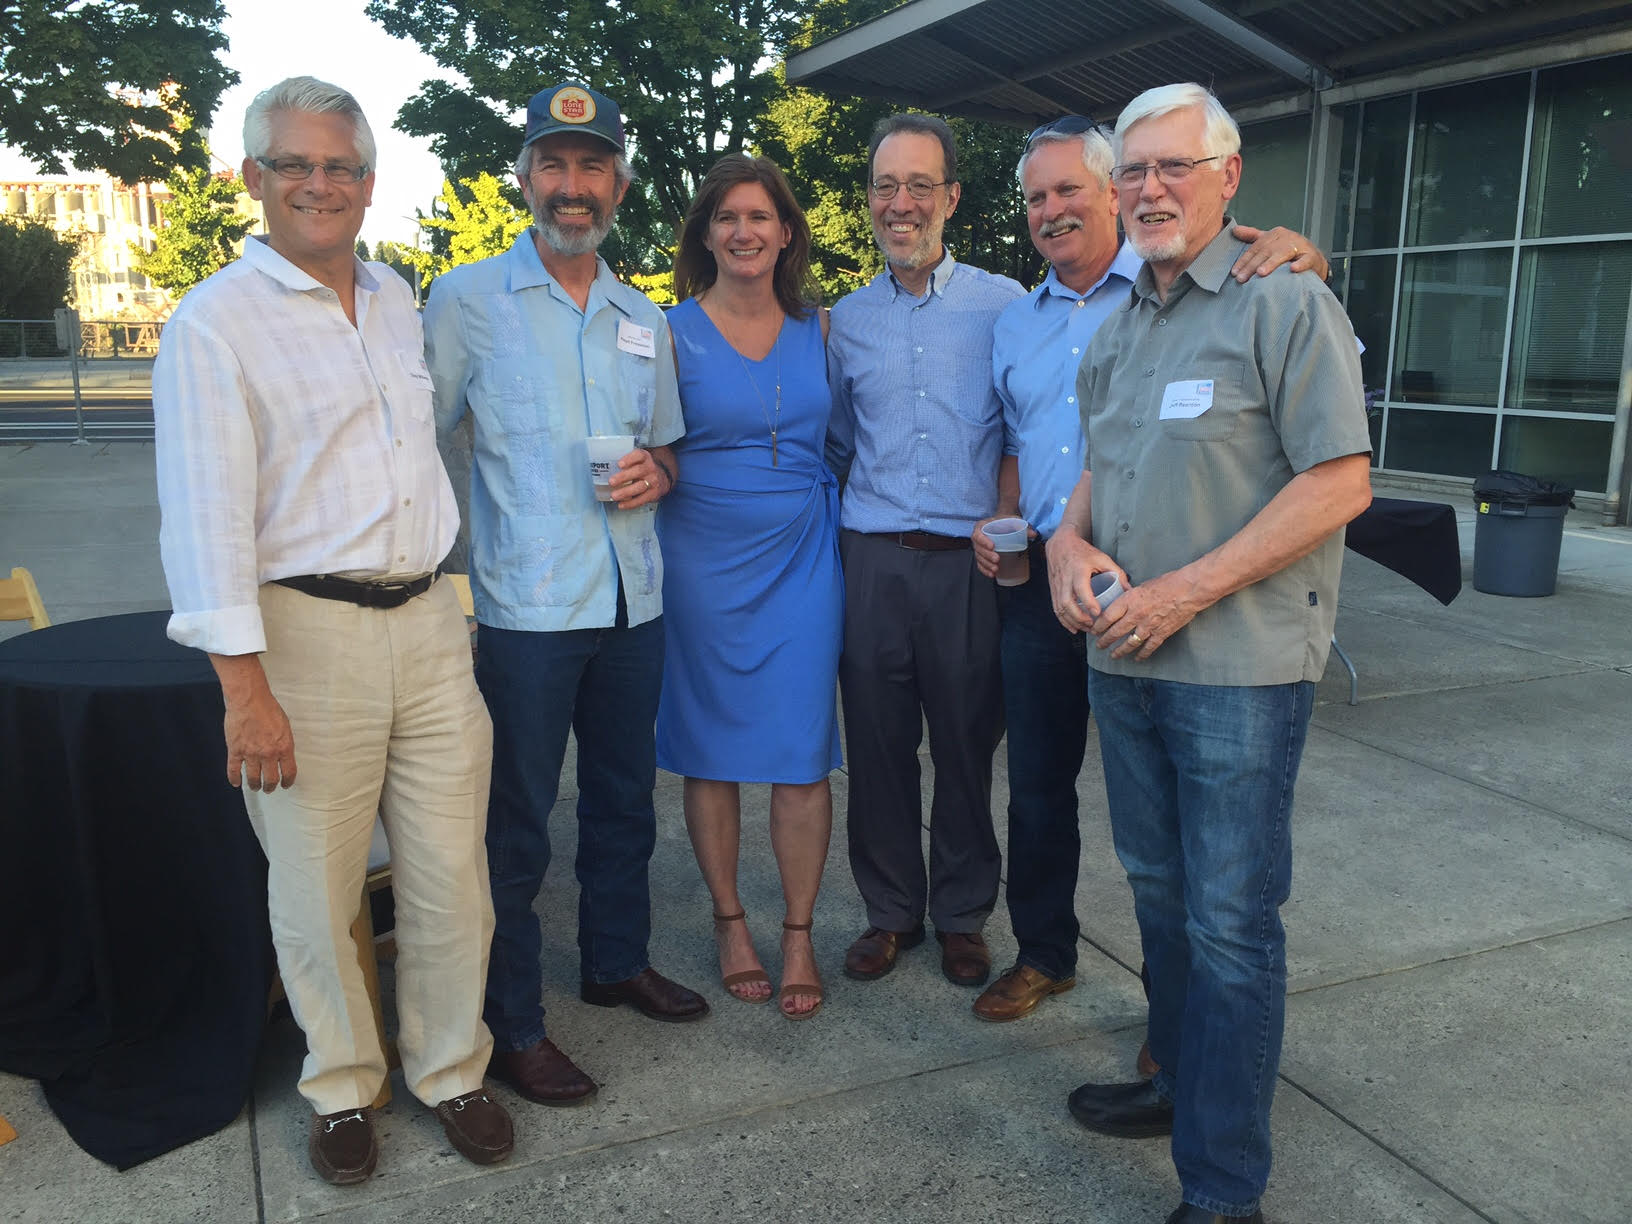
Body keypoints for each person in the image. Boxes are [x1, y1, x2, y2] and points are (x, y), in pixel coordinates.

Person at [154, 76, 511, 1186]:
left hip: (428, 625)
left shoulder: (399, 300)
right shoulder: (216, 323)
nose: (321, 184)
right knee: (312, 886)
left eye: (342, 166)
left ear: (368, 182)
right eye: (296, 165)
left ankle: (451, 1069)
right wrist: (243, 690)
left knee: (452, 873)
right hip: (304, 638)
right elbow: (205, 520)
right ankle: (342, 1085)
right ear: (253, 178)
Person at [1046, 83, 1372, 1224]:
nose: (1149, 189)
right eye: (1132, 170)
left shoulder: (1284, 303)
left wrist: (1186, 590)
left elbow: (1341, 481)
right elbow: (1101, 461)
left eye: (1174, 166)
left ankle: (1226, 1187)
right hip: (1125, 665)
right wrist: (1063, 540)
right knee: (1160, 895)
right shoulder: (1126, 320)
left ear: (1228, 176)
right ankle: (1177, 1084)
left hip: (1236, 674)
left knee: (1232, 925)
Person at [971, 118, 1327, 1028]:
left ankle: (1181, 1047)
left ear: (1110, 196)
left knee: (1189, 868)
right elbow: (1026, 444)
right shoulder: (1017, 318)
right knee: (1045, 792)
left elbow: (1326, 462)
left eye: (1071, 191)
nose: (1052, 212)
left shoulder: (1223, 279)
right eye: (1036, 197)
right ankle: (1049, 956)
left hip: (1180, 613)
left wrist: (1295, 249)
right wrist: (1022, 528)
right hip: (1052, 587)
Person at [423, 81, 704, 1112]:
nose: (572, 186)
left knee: (628, 803)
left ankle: (615, 962)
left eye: (592, 167)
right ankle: (514, 1024)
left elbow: (669, 446)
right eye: (554, 163)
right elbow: (421, 442)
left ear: (619, 183)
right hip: (527, 611)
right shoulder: (466, 300)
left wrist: (657, 475)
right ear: (524, 176)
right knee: (518, 823)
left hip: (635, 602)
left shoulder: (642, 315)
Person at [826, 114, 1025, 992]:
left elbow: (1027, 428)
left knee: (966, 746)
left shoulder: (1005, 307)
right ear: (868, 200)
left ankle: (962, 914)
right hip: (870, 558)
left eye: (918, 186)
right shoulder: (846, 323)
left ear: (949, 197)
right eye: (884, 186)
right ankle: (890, 912)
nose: (900, 204)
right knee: (874, 747)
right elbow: (836, 443)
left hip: (967, 566)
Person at [656, 154, 842, 1021]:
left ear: (788, 232)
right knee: (711, 748)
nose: (744, 231)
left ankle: (799, 931)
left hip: (803, 555)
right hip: (699, 561)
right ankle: (732, 921)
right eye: (727, 217)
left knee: (802, 751)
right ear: (706, 234)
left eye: (761, 216)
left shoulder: (825, 329)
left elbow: (851, 434)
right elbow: (648, 443)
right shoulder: (667, 331)